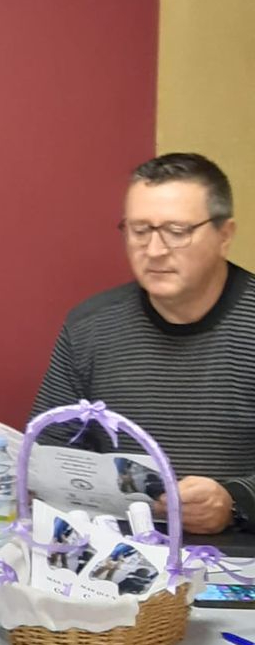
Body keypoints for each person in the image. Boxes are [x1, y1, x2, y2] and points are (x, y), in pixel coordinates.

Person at [31, 153, 255, 534]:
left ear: (225, 235)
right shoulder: (90, 326)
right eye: (139, 230)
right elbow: (50, 452)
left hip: (238, 553)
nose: (154, 250)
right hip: (114, 549)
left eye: (177, 231)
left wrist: (235, 500)